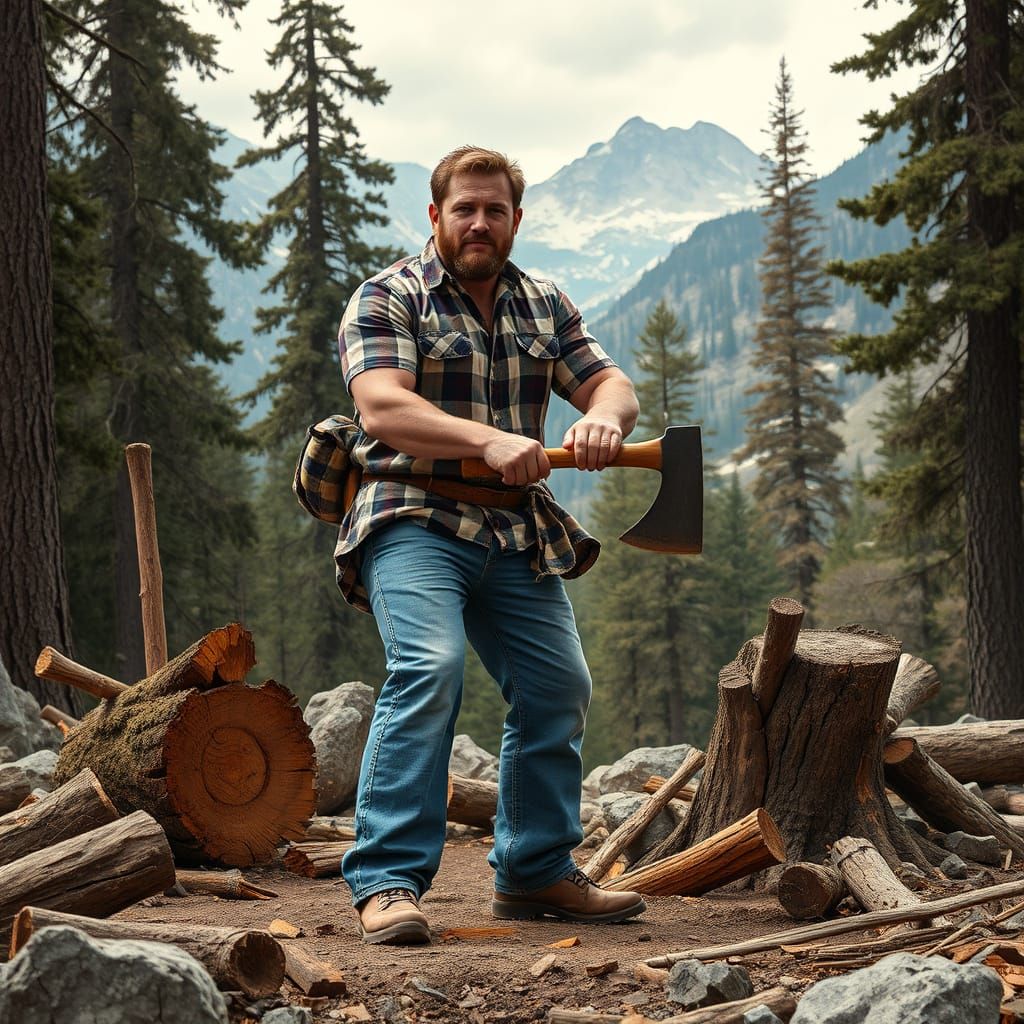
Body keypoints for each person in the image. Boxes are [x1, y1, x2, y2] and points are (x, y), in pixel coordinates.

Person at [334, 145, 645, 945]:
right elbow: (382, 410)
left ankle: (535, 871)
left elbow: (610, 381)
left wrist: (606, 416)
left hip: (512, 528)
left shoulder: (544, 301)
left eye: (494, 210)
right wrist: (489, 439)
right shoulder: (387, 297)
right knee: (429, 665)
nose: (479, 223)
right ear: (435, 216)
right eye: (463, 209)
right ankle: (387, 881)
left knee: (559, 686)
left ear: (515, 219)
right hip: (411, 514)